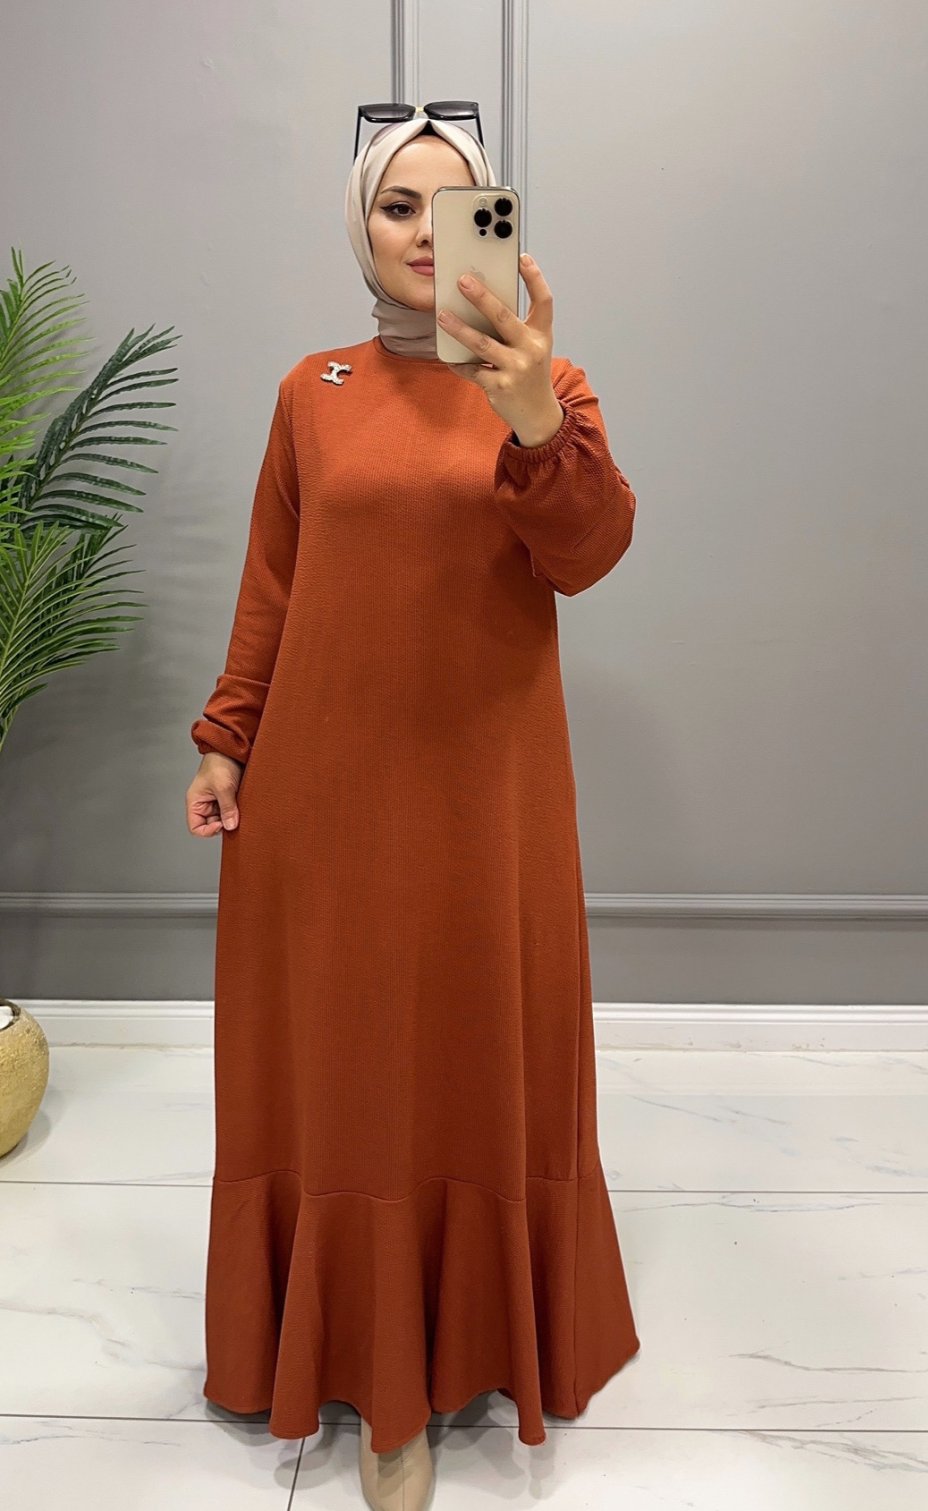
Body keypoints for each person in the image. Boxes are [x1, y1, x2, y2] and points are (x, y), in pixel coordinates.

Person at [185, 107, 640, 1507]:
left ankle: (479, 1346)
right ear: (361, 226)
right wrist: (227, 738)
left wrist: (533, 419)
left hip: (488, 800)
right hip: (324, 799)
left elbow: (590, 552)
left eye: (456, 206)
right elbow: (273, 585)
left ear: (493, 222)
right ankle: (382, 1393)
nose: (427, 234)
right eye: (398, 206)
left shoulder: (547, 382)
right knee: (351, 1073)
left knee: (474, 1054)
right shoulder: (309, 390)